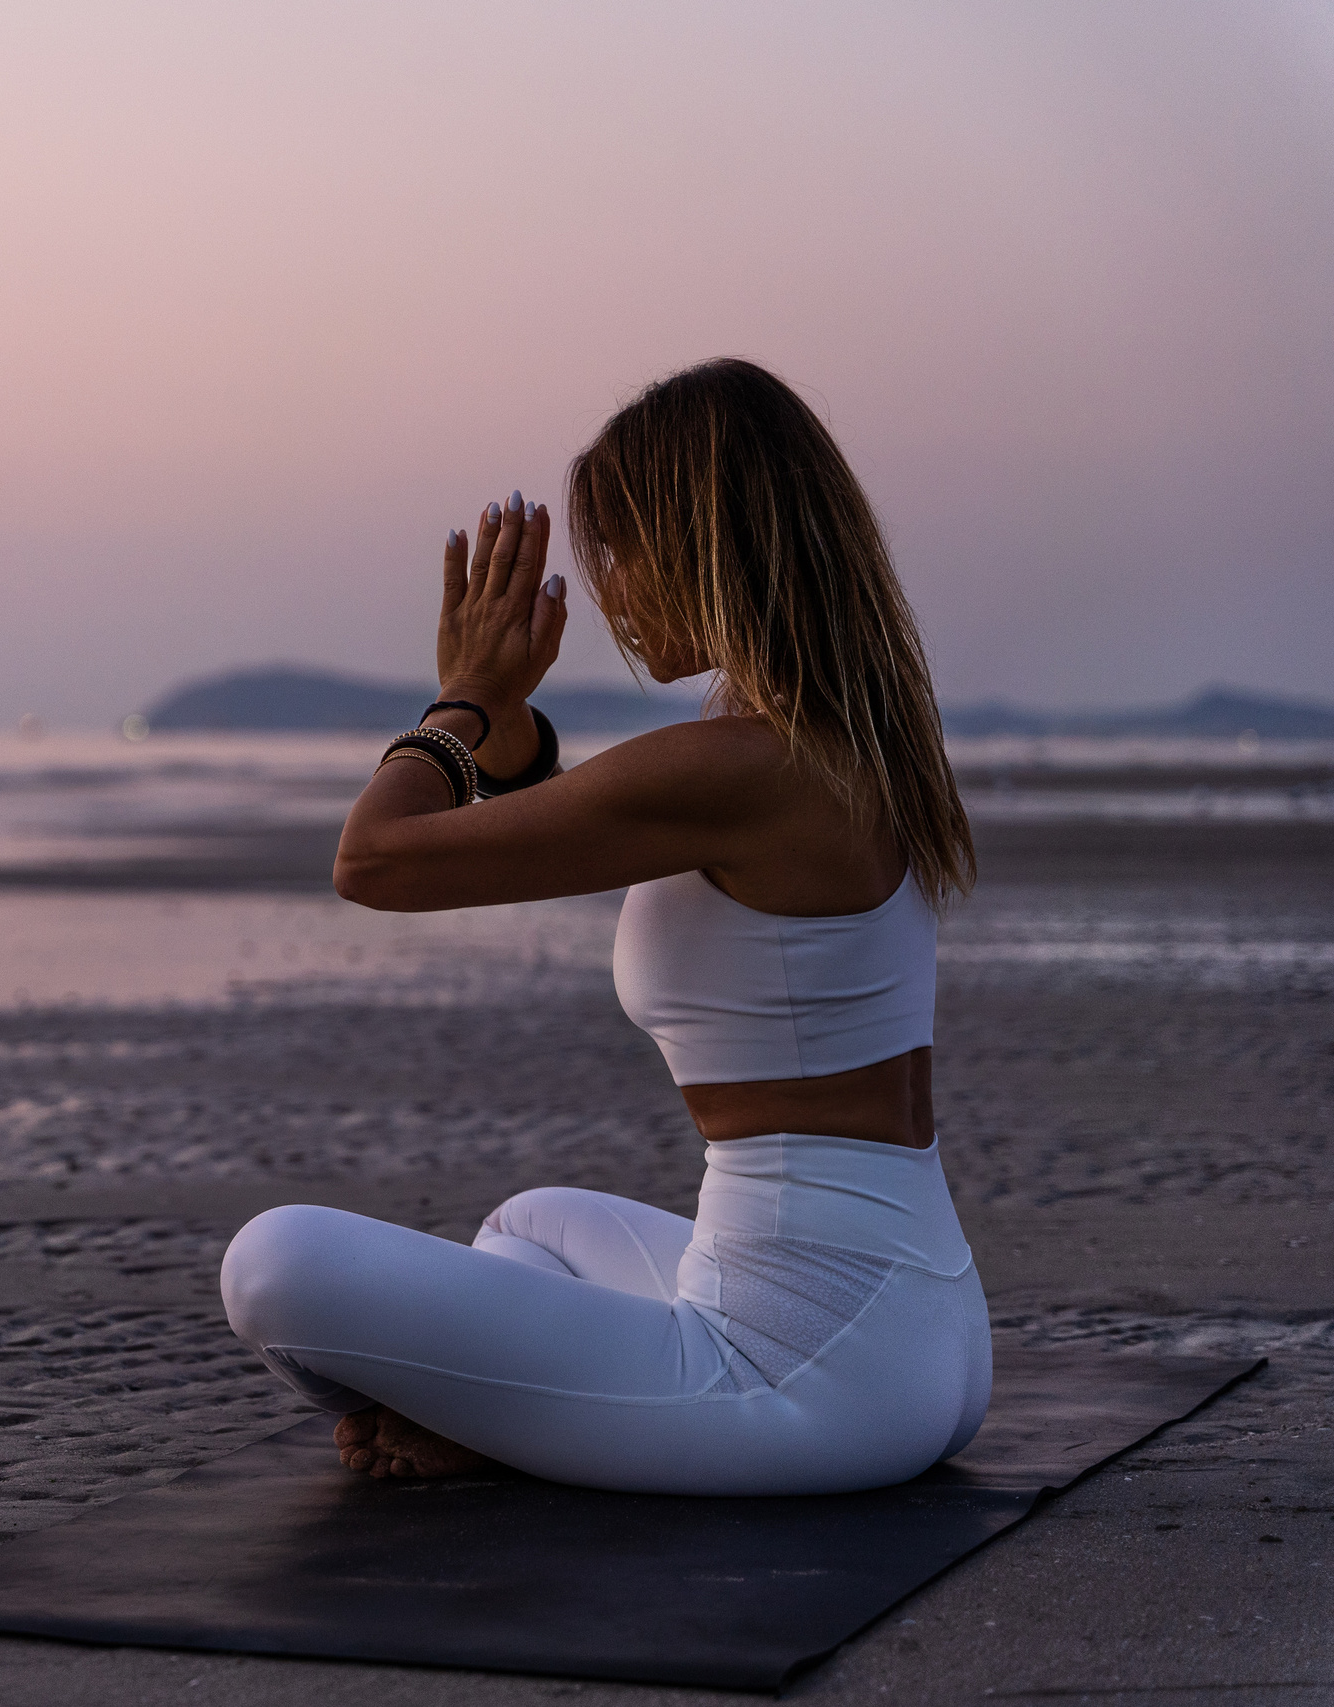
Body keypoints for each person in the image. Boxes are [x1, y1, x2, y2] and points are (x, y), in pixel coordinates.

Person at [218, 359, 988, 1497]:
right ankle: (503, 1412)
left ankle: (491, 1419)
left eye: (624, 552)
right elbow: (561, 819)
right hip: (918, 1320)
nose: (610, 592)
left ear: (704, 541)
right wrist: (514, 732)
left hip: (806, 1374)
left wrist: (463, 700)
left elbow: (373, 859)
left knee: (268, 1264)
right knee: (533, 1225)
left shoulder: (738, 767)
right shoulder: (839, 743)